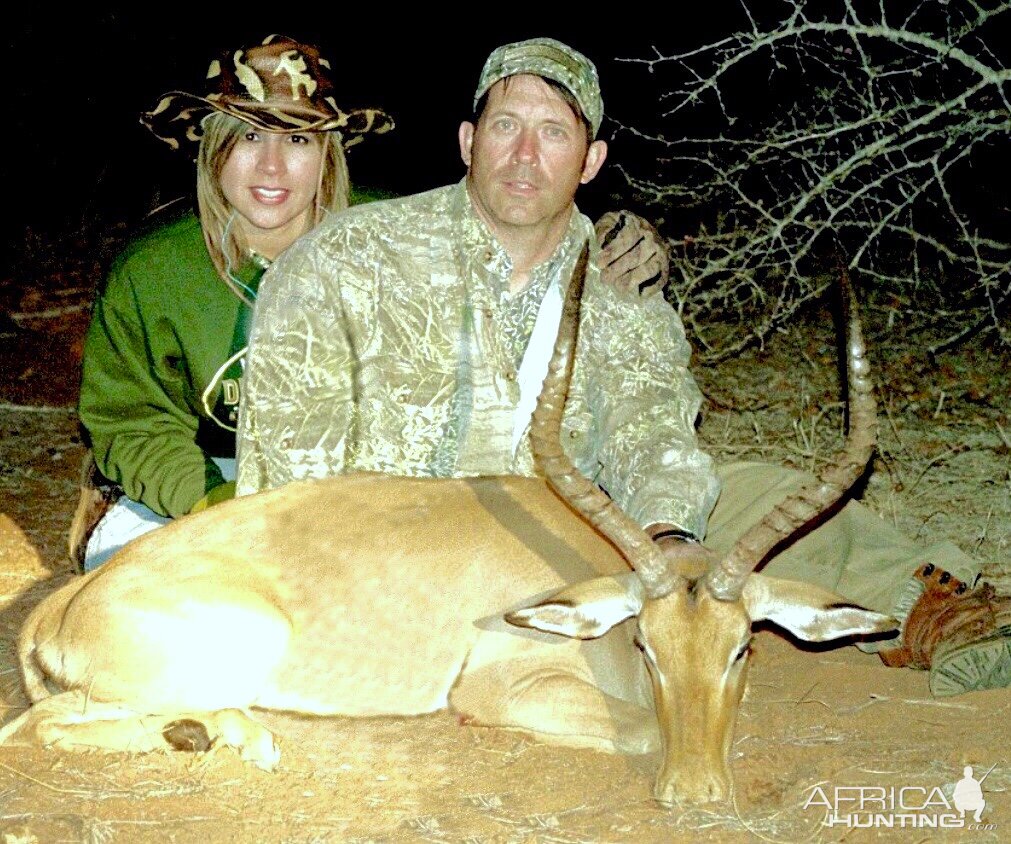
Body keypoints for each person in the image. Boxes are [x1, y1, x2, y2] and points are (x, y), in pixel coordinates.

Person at [236, 37, 1009, 698]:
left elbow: (653, 428)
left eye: (553, 133)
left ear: (591, 159)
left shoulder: (616, 278)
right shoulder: (343, 259)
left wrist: (666, 534)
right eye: (505, 125)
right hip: (407, 550)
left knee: (756, 494)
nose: (525, 155)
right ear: (468, 141)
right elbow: (289, 484)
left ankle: (937, 612)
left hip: (573, 536)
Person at [73, 35, 666, 572]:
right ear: (212, 149)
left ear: (330, 152)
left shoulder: (393, 236)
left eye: (298, 139)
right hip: (199, 485)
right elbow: (131, 426)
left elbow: (511, 234)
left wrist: (626, 237)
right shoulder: (152, 271)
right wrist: (230, 507)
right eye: (249, 136)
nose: (272, 166)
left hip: (353, 491)